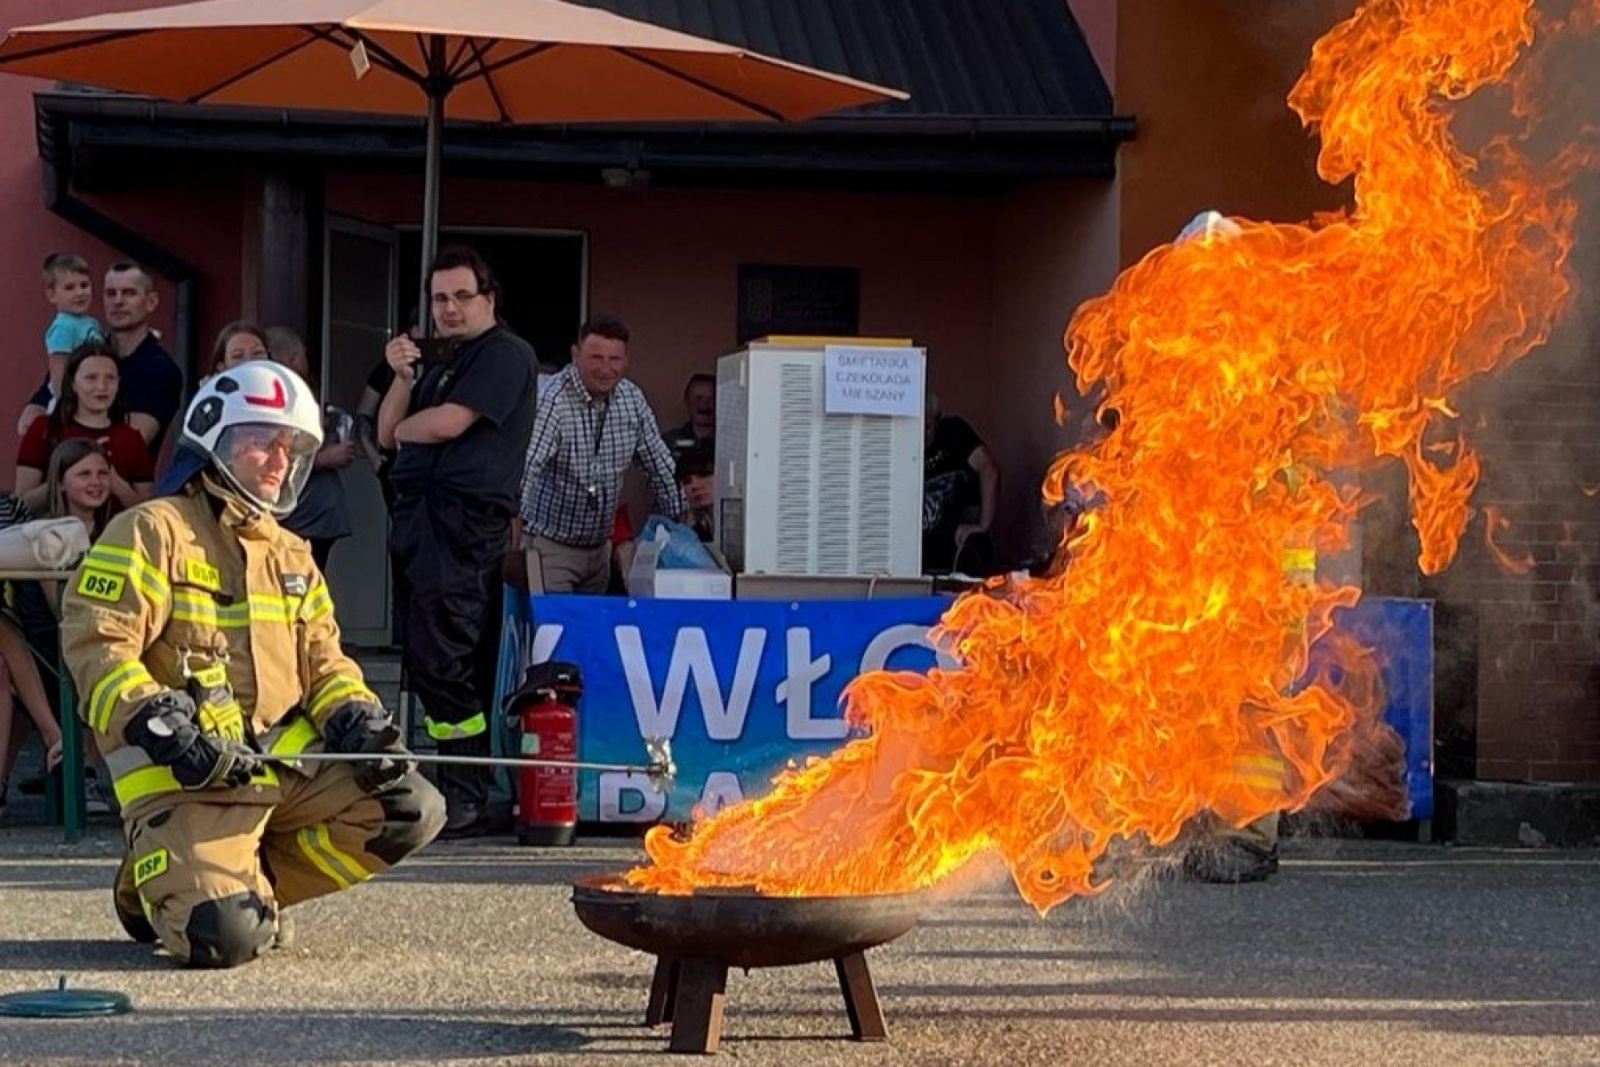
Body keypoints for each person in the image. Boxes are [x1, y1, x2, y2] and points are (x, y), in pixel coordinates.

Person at [61, 360, 443, 968]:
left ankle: (250, 882)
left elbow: (326, 662)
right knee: (225, 938)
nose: (278, 460)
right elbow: (96, 646)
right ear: (214, 441)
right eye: (262, 441)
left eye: (289, 447)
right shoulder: (150, 531)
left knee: (409, 806)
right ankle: (150, 883)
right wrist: (159, 720)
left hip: (278, 767)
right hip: (184, 776)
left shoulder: (292, 552)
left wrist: (358, 720)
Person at [381, 246, 537, 838]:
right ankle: (461, 789)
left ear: (488, 298)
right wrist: (401, 380)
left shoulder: (504, 354)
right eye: (440, 298)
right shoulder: (443, 361)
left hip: (462, 522)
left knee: (445, 656)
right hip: (423, 521)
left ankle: (467, 795)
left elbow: (445, 425)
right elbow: (388, 432)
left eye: (460, 296)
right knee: (431, 656)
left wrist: (406, 429)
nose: (448, 308)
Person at [519, 314, 687, 595]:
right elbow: (527, 468)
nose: (606, 369)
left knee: (592, 634)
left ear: (626, 361)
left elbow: (660, 466)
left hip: (600, 550)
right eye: (596, 357)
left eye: (614, 359)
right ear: (576, 355)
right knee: (557, 634)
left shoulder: (632, 399)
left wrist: (683, 522)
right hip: (551, 547)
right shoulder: (553, 401)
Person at [18, 261, 184, 450]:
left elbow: (133, 440)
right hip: (56, 471)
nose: (118, 301)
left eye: (129, 293)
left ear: (151, 302)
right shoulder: (82, 351)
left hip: (116, 476)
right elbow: (30, 416)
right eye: (111, 293)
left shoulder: (160, 369)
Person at [15, 341, 155, 514]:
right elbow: (21, 506)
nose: (102, 387)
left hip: (110, 537)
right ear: (73, 383)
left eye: (110, 378)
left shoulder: (131, 438)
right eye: (91, 378)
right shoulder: (43, 429)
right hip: (52, 535)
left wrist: (115, 483)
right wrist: (65, 476)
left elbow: (146, 512)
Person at [266, 326, 356, 569]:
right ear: (294, 357)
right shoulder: (276, 396)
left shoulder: (297, 394)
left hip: (312, 515)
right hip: (298, 516)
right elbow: (273, 454)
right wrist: (324, 458)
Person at [922, 392, 1002, 575]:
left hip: (960, 540)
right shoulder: (899, 444)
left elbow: (989, 469)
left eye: (928, 427)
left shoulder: (955, 433)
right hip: (918, 545)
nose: (923, 434)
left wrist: (983, 525)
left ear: (937, 420)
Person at [23, 251, 103, 433]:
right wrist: (65, 404)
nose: (80, 293)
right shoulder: (62, 328)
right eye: (70, 288)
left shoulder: (92, 323)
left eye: (84, 285)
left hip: (91, 394)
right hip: (70, 400)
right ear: (52, 295)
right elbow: (58, 370)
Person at [662, 372, 715, 460]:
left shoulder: (731, 443)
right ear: (687, 401)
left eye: (711, 399)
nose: (705, 404)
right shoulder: (668, 442)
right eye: (698, 398)